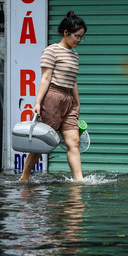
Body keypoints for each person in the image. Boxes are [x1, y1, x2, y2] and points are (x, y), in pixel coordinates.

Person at [20, 11, 87, 182]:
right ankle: (24, 177)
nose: (79, 41)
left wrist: (77, 104)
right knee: (41, 143)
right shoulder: (51, 51)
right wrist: (37, 103)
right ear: (66, 33)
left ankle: (79, 180)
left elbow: (73, 81)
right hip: (53, 97)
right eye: (77, 36)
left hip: (68, 101)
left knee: (74, 142)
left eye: (81, 38)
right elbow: (46, 78)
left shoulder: (74, 55)